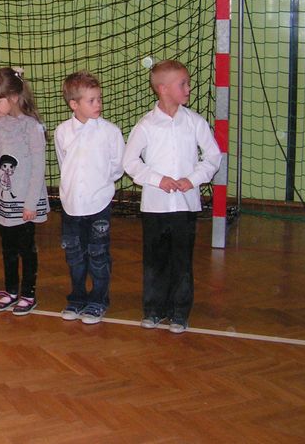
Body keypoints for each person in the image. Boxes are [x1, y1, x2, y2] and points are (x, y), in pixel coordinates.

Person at [123, 60, 221, 334]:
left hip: (185, 207)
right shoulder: (146, 125)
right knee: (155, 261)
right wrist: (158, 180)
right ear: (163, 89)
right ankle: (154, 309)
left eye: (187, 83)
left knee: (181, 260)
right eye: (183, 84)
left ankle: (179, 312)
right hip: (155, 206)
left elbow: (212, 157)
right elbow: (130, 161)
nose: (188, 88)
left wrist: (193, 179)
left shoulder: (195, 122)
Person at [54, 71, 125, 324]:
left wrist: (99, 186)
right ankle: (77, 298)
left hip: (98, 205)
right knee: (74, 255)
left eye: (99, 99)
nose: (98, 104)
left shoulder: (110, 132)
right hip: (71, 206)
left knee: (98, 254)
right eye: (91, 100)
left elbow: (117, 167)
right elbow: (64, 163)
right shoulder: (62, 131)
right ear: (74, 104)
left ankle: (98, 300)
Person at [0, 68, 49, 316]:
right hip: (4, 202)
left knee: (26, 248)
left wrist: (30, 203)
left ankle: (28, 293)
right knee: (7, 248)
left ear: (13, 97)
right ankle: (11, 290)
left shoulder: (32, 128)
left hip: (25, 203)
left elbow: (38, 168)